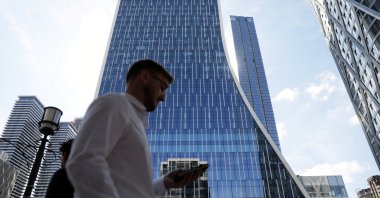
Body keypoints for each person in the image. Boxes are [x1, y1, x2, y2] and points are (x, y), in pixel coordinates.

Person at [66, 59, 204, 197]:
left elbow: (131, 188)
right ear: (145, 77)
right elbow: (84, 161)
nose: (163, 97)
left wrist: (165, 183)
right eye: (162, 87)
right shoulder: (114, 104)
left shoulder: (136, 121)